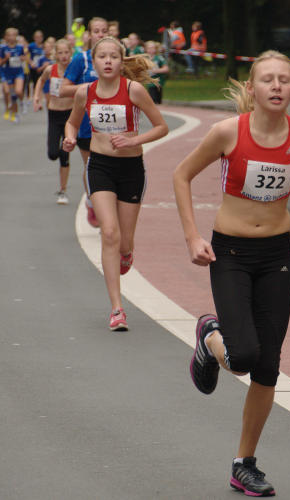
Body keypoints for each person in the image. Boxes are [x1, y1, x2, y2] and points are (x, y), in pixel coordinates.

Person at [173, 50, 290, 496]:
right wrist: (193, 237)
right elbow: (181, 175)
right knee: (243, 355)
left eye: (283, 80)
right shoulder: (228, 132)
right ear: (251, 89)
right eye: (266, 79)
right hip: (228, 252)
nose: (275, 86)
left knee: (268, 365)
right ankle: (211, 338)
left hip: (276, 255)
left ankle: (243, 463)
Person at [63, 36, 168, 331]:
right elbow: (72, 121)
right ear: (93, 62)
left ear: (122, 62)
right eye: (102, 57)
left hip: (131, 168)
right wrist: (71, 137)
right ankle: (117, 309)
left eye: (114, 56)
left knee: (124, 241)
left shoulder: (134, 90)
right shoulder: (86, 92)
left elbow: (162, 127)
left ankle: (126, 252)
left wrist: (134, 139)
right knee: (109, 232)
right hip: (99, 166)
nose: (108, 61)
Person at [60, 17, 109, 227]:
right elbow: (63, 89)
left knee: (110, 168)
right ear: (89, 35)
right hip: (87, 127)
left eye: (104, 31)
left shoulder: (116, 58)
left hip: (112, 126)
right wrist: (89, 88)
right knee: (93, 167)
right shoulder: (82, 59)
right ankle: (93, 203)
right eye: (96, 31)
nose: (100, 34)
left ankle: (105, 208)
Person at [33, 38, 73, 205]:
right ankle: (62, 188)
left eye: (66, 53)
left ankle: (62, 191)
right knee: (52, 154)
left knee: (64, 154)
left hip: (70, 115)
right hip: (54, 114)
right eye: (60, 53)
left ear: (71, 53)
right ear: (55, 54)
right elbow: (40, 81)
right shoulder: (51, 69)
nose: (63, 56)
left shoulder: (74, 70)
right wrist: (37, 97)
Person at [0, 27, 25, 124]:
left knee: (18, 91)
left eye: (13, 35)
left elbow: (23, 57)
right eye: (9, 35)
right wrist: (6, 58)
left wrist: (22, 58)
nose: (11, 37)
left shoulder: (20, 47)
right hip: (6, 72)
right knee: (8, 92)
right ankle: (10, 110)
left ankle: (20, 105)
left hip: (18, 71)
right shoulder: (3, 48)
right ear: (6, 37)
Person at [28, 30, 44, 95]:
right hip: (34, 67)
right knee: (35, 82)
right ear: (34, 38)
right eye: (37, 37)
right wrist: (31, 62)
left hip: (42, 67)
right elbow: (25, 54)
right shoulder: (31, 46)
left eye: (40, 37)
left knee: (41, 81)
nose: (38, 39)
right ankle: (35, 95)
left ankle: (40, 95)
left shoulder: (44, 46)